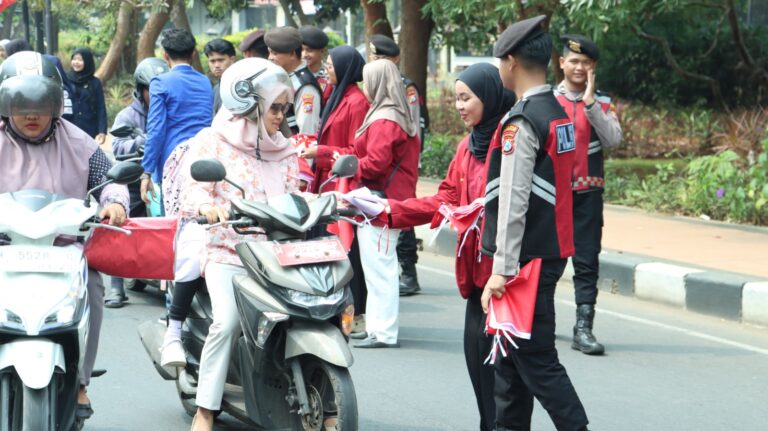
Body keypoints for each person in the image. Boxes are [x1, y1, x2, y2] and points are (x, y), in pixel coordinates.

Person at [384, 62, 515, 430]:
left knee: (509, 379)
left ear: (488, 97)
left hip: (505, 278)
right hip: (475, 278)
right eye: (456, 98)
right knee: (479, 368)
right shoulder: (467, 146)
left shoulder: (511, 143)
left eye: (466, 98)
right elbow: (447, 199)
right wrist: (389, 211)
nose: (459, 106)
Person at [0, 51, 129, 420]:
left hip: (63, 249)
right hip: (4, 248)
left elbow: (109, 181)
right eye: (21, 105)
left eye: (41, 105)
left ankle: (81, 381)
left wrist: (115, 203)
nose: (32, 115)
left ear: (56, 105)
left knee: (94, 287)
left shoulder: (80, 142)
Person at [178, 58, 300, 431]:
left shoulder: (285, 149)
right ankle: (205, 409)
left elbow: (295, 197)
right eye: (274, 107)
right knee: (227, 322)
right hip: (229, 253)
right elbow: (193, 190)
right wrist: (207, 207)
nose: (280, 116)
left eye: (284, 108)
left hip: (277, 255)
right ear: (250, 105)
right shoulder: (212, 141)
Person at [480, 16, 590, 431]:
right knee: (508, 364)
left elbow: (514, 200)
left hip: (525, 261)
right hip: (549, 248)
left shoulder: (523, 121)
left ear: (510, 61)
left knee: (536, 359)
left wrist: (502, 269)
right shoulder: (557, 112)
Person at [306, 59, 419, 348]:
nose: (364, 86)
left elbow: (376, 164)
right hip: (385, 199)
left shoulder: (385, 119)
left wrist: (348, 166)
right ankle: (377, 328)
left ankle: (384, 333)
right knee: (375, 266)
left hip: (382, 201)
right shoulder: (390, 113)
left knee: (380, 268)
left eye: (368, 81)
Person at [556, 34, 622, 356]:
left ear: (593, 67)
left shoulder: (603, 103)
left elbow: (613, 140)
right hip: (552, 194)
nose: (579, 67)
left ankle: (583, 329)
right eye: (574, 61)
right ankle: (537, 321)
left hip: (588, 194)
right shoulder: (546, 100)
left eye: (585, 63)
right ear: (562, 63)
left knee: (586, 262)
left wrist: (591, 103)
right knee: (545, 259)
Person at [299, 45, 369, 333]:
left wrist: (322, 152)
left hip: (342, 182)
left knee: (346, 251)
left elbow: (356, 150)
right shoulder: (334, 94)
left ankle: (356, 310)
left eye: (330, 66)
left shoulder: (356, 102)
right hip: (326, 179)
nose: (326, 70)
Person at [105, 57, 170, 308]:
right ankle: (116, 286)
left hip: (165, 179)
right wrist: (144, 142)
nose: (157, 96)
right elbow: (118, 147)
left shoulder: (171, 112)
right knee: (119, 225)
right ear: (140, 89)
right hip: (133, 179)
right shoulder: (127, 116)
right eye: (151, 91)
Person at [368, 34, 427, 296]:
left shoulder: (406, 88)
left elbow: (412, 127)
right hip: (387, 163)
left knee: (402, 216)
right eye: (374, 56)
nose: (377, 61)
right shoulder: (375, 81)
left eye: (383, 57)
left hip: (400, 163)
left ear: (395, 59)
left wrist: (412, 161)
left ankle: (409, 271)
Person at [140, 28, 213, 208]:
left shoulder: (160, 83)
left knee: (174, 219)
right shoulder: (205, 82)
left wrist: (146, 172)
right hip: (204, 159)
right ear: (193, 53)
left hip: (173, 163)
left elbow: (156, 130)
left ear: (165, 55)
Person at [265, 26, 322, 135]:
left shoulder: (305, 86)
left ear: (292, 54)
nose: (270, 58)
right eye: (269, 52)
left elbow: (307, 132)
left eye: (275, 53)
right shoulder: (284, 77)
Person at [67, 47, 107, 145]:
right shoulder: (66, 79)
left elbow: (100, 107)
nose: (76, 62)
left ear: (87, 61)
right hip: (68, 128)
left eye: (80, 60)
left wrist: (102, 131)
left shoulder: (95, 83)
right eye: (74, 59)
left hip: (88, 129)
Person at [204, 38, 236, 115]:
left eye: (221, 60)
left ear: (232, 59)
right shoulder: (216, 89)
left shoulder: (240, 86)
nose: (216, 65)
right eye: (212, 61)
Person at [299, 25, 330, 93]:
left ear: (322, 51)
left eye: (309, 50)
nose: (304, 55)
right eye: (301, 50)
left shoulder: (329, 74)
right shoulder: (293, 74)